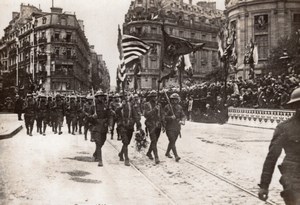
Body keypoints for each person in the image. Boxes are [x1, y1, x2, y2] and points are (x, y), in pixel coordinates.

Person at [258, 87, 300, 205]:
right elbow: (271, 158)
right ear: (295, 107)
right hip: (293, 177)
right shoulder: (284, 128)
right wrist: (264, 185)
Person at [116, 94, 141, 166]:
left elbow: (136, 116)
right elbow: (116, 111)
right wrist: (121, 106)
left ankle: (121, 154)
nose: (135, 102)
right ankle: (126, 158)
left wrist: (139, 125)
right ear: (130, 100)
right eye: (133, 100)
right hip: (122, 126)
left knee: (127, 143)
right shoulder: (121, 105)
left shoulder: (133, 108)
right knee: (125, 141)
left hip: (130, 127)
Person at [163, 93, 186, 162]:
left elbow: (183, 115)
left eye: (176, 99)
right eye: (173, 100)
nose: (174, 101)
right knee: (172, 140)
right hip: (169, 127)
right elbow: (164, 117)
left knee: (172, 141)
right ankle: (176, 156)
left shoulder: (179, 107)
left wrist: (182, 121)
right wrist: (170, 117)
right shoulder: (167, 107)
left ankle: (167, 152)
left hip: (177, 127)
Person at [89, 90, 109, 167]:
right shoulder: (93, 106)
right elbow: (88, 118)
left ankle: (95, 154)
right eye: (99, 96)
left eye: (102, 96)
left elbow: (108, 115)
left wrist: (108, 123)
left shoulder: (105, 105)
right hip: (96, 126)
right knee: (98, 142)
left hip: (103, 126)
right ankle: (100, 160)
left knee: (102, 142)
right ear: (97, 97)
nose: (101, 98)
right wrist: (92, 117)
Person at [144, 90, 163, 164]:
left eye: (155, 96)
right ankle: (156, 157)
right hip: (150, 124)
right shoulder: (147, 104)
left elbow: (162, 114)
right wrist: (154, 110)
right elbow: (146, 114)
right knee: (154, 140)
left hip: (158, 125)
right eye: (153, 96)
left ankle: (149, 152)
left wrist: (163, 123)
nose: (154, 98)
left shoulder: (159, 105)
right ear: (150, 97)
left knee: (155, 141)